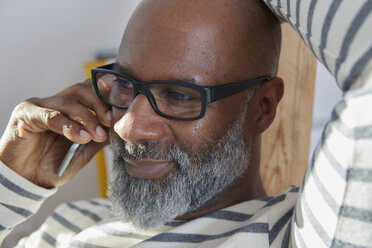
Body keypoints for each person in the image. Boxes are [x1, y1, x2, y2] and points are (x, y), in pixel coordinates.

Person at [0, 0, 371, 247]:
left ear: (263, 107)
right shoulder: (68, 224)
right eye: (126, 85)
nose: (128, 128)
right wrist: (11, 182)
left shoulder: (298, 235)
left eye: (179, 95)